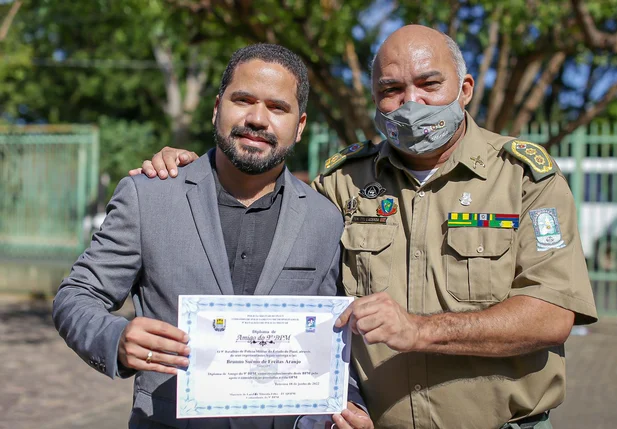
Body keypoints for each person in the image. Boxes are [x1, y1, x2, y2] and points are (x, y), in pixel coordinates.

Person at [133, 26, 598, 429]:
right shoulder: (341, 183)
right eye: (391, 89)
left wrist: (418, 330)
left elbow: (551, 315)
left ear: (466, 89)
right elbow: (262, 192)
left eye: (429, 84)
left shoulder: (524, 179)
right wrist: (193, 171)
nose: (411, 102)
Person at [53, 44, 373, 429]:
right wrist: (116, 338)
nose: (257, 119)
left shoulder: (325, 219)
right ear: (216, 107)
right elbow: (76, 295)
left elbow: (330, 347)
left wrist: (342, 411)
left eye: (277, 108)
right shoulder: (150, 195)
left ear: (300, 125)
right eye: (243, 100)